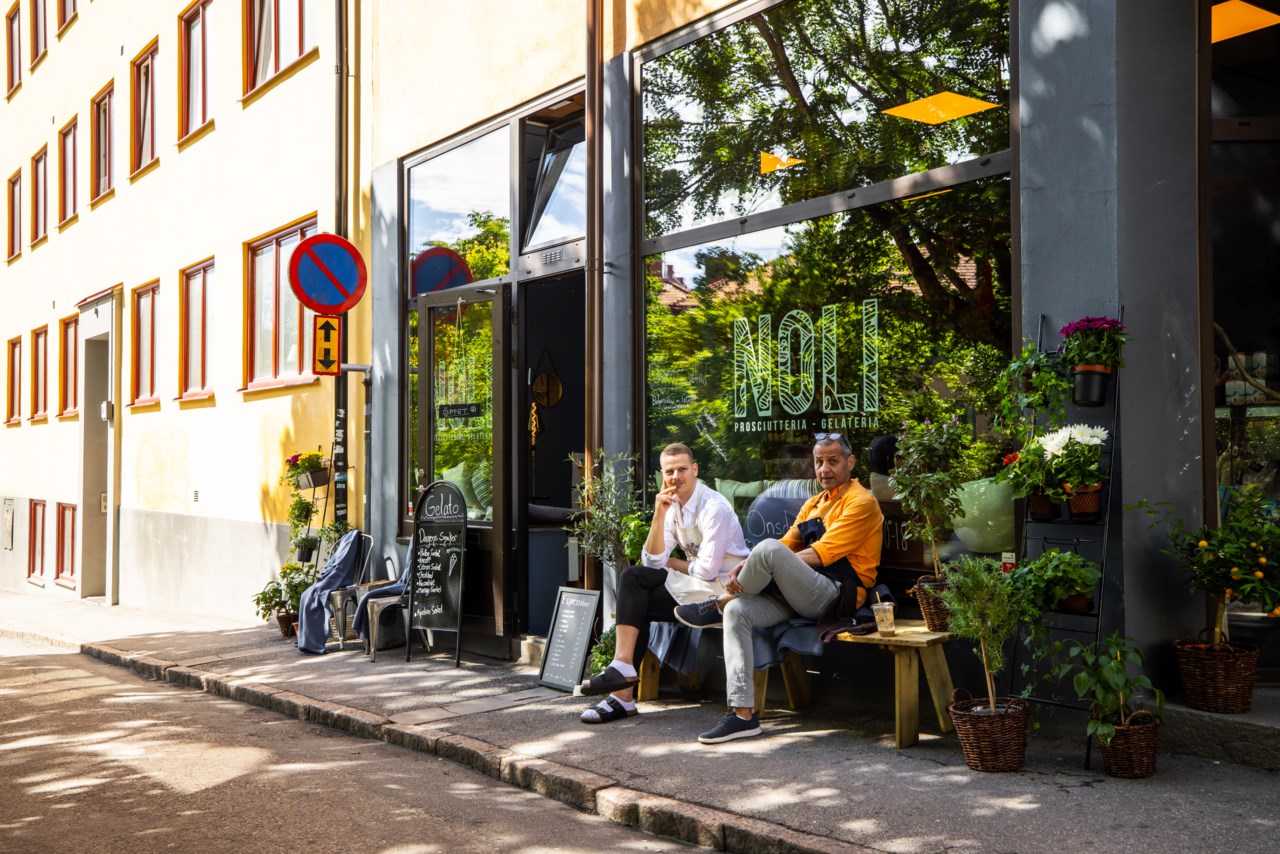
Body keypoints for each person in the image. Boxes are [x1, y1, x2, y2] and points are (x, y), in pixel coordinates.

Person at [674, 432, 883, 743]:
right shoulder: (814, 503)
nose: (824, 469)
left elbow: (818, 554)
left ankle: (718, 602)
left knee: (767, 550)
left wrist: (767, 563)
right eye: (819, 462)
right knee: (738, 611)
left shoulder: (862, 502)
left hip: (835, 594)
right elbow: (789, 541)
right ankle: (743, 715)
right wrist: (750, 565)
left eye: (833, 461)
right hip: (799, 592)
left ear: (850, 463)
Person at [579, 443, 749, 724]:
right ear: (662, 475)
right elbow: (653, 561)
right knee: (634, 581)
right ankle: (622, 679)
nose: (676, 476)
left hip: (724, 592)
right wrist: (659, 514)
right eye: (670, 471)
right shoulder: (671, 506)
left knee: (637, 592)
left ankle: (621, 693)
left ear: (695, 470)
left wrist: (674, 563)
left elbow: (707, 570)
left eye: (682, 469)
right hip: (695, 587)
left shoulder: (714, 507)